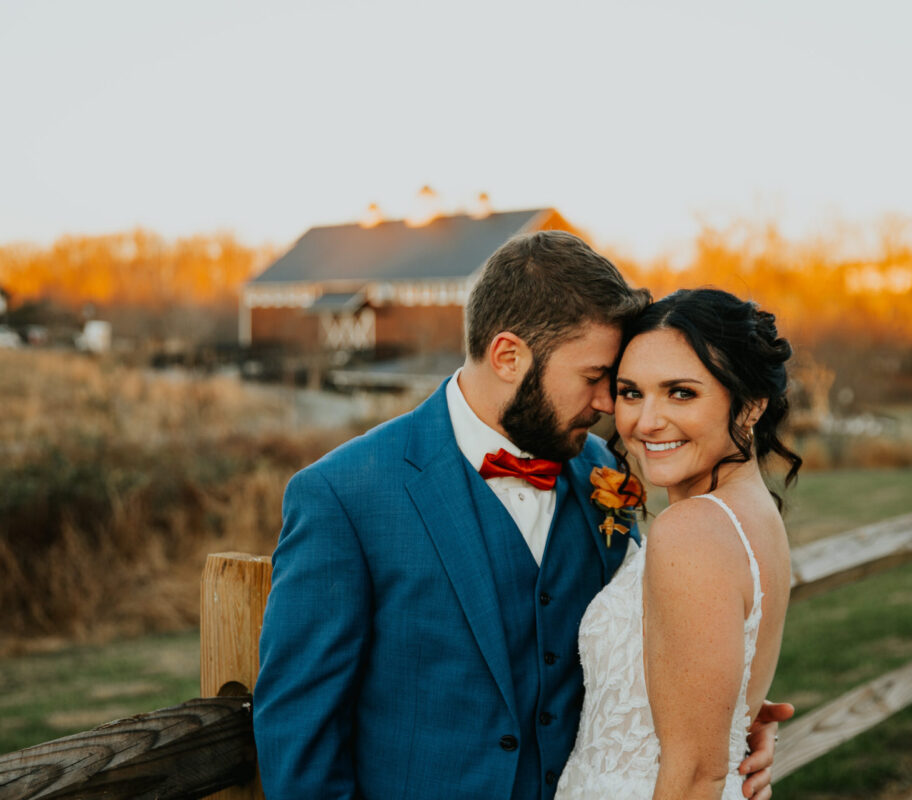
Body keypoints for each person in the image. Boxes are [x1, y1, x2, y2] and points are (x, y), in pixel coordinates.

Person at [252, 233, 791, 799]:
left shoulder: (600, 471)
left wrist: (732, 723)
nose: (610, 404)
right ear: (509, 356)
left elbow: (668, 636)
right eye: (594, 378)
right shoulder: (343, 495)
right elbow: (299, 735)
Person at [557, 288, 802, 800]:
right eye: (630, 392)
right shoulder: (753, 515)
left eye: (681, 393)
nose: (646, 421)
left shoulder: (691, 529)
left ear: (751, 404)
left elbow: (695, 775)